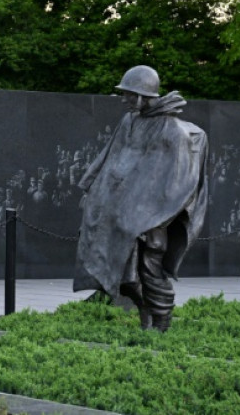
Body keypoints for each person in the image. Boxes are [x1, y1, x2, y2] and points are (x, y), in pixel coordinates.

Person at [74, 65, 208, 332]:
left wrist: (152, 218)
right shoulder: (129, 121)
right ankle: (144, 309)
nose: (123, 99)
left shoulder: (173, 131)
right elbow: (111, 158)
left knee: (150, 270)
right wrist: (92, 190)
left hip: (153, 220)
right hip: (122, 214)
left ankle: (161, 323)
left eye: (128, 94)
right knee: (123, 272)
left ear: (142, 96)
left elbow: (178, 184)